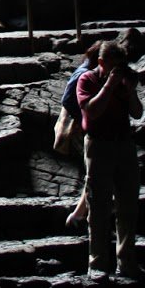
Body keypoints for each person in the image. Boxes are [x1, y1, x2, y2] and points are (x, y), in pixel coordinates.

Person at [76, 40, 145, 280]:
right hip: (99, 144)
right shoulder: (87, 80)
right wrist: (108, 86)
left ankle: (126, 262)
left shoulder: (123, 81)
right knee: (99, 206)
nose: (117, 71)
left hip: (124, 143)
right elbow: (91, 111)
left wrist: (131, 90)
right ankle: (96, 264)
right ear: (101, 63)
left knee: (128, 205)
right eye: (113, 67)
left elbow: (137, 113)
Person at [57, 42, 103, 230]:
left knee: (94, 172)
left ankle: (81, 213)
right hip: (77, 127)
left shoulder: (88, 71)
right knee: (93, 172)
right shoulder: (83, 75)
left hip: (82, 126)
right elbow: (68, 101)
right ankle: (80, 214)